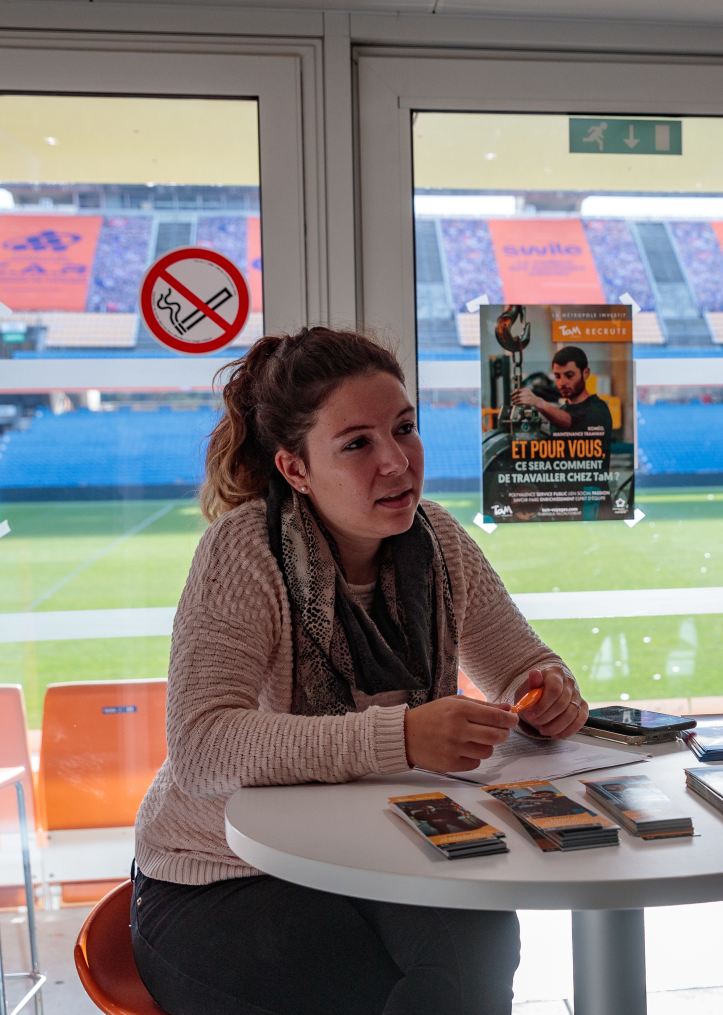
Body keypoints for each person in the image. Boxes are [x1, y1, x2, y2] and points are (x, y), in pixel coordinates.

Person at [131, 327, 590, 1015]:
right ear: (295, 470)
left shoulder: (439, 540)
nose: (398, 462)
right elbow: (202, 748)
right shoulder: (244, 550)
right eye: (357, 444)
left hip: (385, 851)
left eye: (404, 428)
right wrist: (400, 738)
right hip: (223, 874)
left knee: (479, 948)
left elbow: (521, 664)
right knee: (362, 987)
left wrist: (548, 692)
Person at [510, 345, 613, 448]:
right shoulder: (561, 411)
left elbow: (573, 424)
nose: (562, 383)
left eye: (569, 375)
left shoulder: (599, 410)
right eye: (557, 376)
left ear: (585, 373)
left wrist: (538, 402)